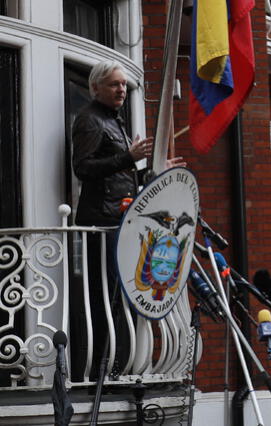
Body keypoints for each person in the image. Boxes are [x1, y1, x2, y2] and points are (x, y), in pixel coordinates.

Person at [71, 60, 185, 380]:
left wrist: (151, 173)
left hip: (119, 219)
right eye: (114, 84)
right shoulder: (90, 120)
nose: (122, 89)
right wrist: (128, 157)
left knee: (120, 295)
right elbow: (83, 168)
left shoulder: (111, 120)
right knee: (104, 297)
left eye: (123, 85)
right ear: (96, 88)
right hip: (101, 221)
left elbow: (118, 173)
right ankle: (98, 370)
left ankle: (118, 365)